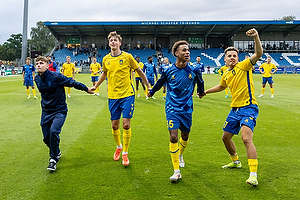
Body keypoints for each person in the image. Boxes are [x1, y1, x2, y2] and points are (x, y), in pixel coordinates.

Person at [199, 28, 263, 186]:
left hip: (248, 107)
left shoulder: (244, 66)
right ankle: (235, 161)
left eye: (235, 55)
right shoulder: (226, 73)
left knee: (246, 139)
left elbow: (258, 54)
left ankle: (253, 174)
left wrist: (256, 37)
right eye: (229, 56)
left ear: (238, 58)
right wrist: (206, 92)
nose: (232, 58)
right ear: (225, 59)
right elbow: (221, 87)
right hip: (235, 109)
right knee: (225, 137)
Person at [148, 40, 205, 182]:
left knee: (184, 136)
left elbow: (201, 82)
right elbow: (160, 82)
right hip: (172, 107)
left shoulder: (194, 69)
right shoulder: (168, 70)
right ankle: (176, 171)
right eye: (184, 50)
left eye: (188, 50)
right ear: (176, 53)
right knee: (173, 137)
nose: (187, 53)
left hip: (187, 109)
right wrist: (152, 91)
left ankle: (180, 154)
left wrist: (200, 91)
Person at [92, 31, 151, 166]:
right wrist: (95, 87)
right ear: (109, 43)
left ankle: (125, 152)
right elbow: (104, 74)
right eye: (111, 40)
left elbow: (139, 71)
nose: (113, 42)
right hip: (113, 96)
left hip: (127, 94)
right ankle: (118, 146)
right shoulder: (106, 59)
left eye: (115, 40)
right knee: (114, 125)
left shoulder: (127, 57)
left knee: (126, 124)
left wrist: (148, 86)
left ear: (120, 43)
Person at [34, 56, 93, 171]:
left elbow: (72, 82)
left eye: (41, 63)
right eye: (37, 63)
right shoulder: (37, 79)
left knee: (54, 131)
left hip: (59, 110)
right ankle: (56, 151)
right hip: (46, 112)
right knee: (46, 138)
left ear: (47, 65)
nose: (38, 65)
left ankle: (53, 159)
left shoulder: (56, 76)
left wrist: (86, 89)